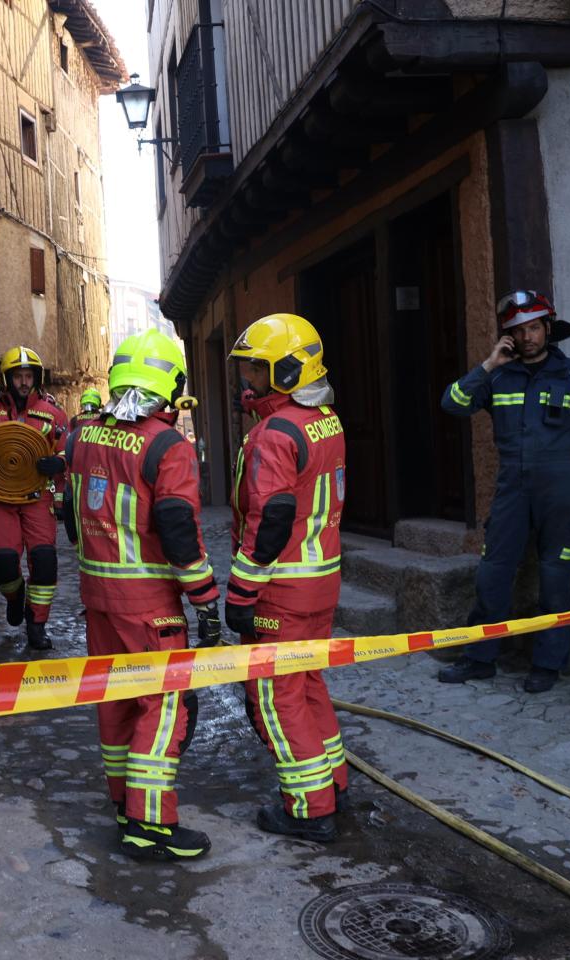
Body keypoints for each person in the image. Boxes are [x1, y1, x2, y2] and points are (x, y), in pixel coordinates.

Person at [65, 330, 222, 861]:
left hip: (98, 596)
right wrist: (204, 599)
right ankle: (150, 824)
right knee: (163, 705)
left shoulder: (86, 435)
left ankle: (123, 802)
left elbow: (72, 510)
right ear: (170, 385)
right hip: (148, 605)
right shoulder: (166, 446)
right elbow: (179, 530)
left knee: (115, 701)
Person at [437, 290, 570, 694]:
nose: (528, 336)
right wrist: (487, 364)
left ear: (548, 329)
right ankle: (481, 659)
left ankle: (547, 665)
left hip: (561, 489)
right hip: (512, 488)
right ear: (509, 337)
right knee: (493, 575)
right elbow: (452, 403)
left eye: (534, 327)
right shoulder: (497, 376)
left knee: (556, 579)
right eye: (519, 330)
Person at [223, 313, 350, 844]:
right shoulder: (326, 420)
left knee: (277, 696)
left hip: (281, 589)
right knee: (309, 682)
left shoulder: (275, 434)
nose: (246, 380)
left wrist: (242, 591)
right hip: (320, 580)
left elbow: (271, 518)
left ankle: (308, 808)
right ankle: (334, 782)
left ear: (286, 371)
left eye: (255, 370)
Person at [0, 347, 70, 650]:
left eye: (28, 376)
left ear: (36, 378)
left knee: (44, 563)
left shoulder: (53, 413)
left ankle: (36, 625)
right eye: (18, 376)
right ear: (7, 379)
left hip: (38, 500)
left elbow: (68, 451)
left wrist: (59, 463)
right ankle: (15, 596)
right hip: (2, 500)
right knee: (2, 562)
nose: (23, 382)